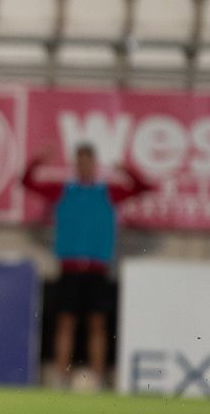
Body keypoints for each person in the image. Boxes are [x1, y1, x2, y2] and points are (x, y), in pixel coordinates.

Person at [22, 143, 155, 390]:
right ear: (76, 164)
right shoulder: (64, 190)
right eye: (80, 162)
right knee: (66, 322)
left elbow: (145, 187)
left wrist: (128, 170)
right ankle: (60, 377)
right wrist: (38, 162)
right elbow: (27, 182)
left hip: (97, 268)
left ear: (94, 164)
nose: (84, 167)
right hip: (70, 267)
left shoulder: (107, 192)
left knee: (98, 323)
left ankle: (97, 377)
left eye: (88, 162)